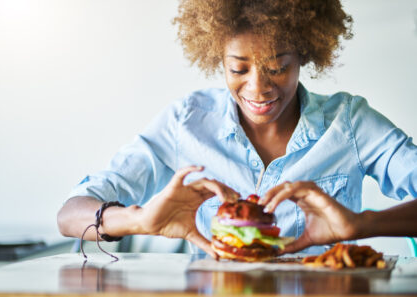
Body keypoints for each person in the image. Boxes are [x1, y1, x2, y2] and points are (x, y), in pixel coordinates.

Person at [57, 0, 417, 257]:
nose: (258, 88)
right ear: (218, 57)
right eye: (239, 69)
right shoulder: (187, 122)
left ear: (305, 54)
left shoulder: (349, 123)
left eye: (277, 67)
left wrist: (361, 224)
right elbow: (69, 214)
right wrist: (139, 220)